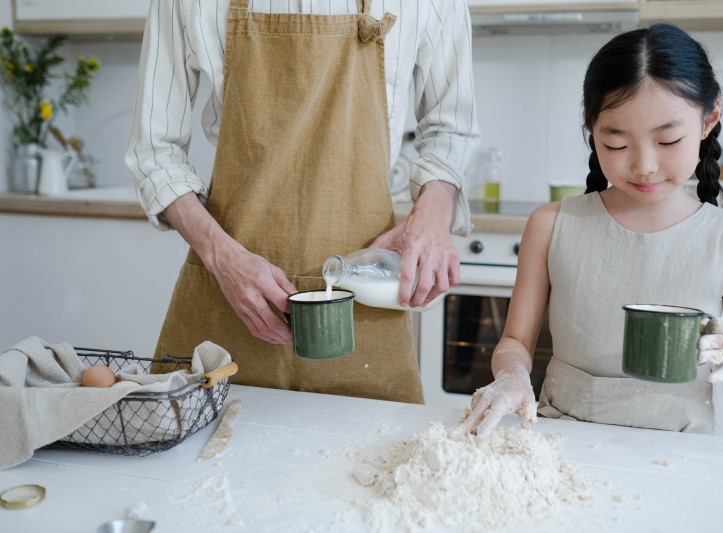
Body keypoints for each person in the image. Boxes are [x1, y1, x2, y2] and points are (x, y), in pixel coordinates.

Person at [124, 0, 480, 403]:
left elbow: (453, 128)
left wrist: (434, 211)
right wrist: (222, 258)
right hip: (229, 297)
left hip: (362, 307)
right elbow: (154, 149)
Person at [458, 23, 723, 437]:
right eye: (616, 144)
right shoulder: (553, 225)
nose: (644, 165)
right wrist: (512, 375)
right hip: (563, 444)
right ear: (591, 128)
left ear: (707, 121)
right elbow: (515, 342)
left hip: (679, 457)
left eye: (668, 141)